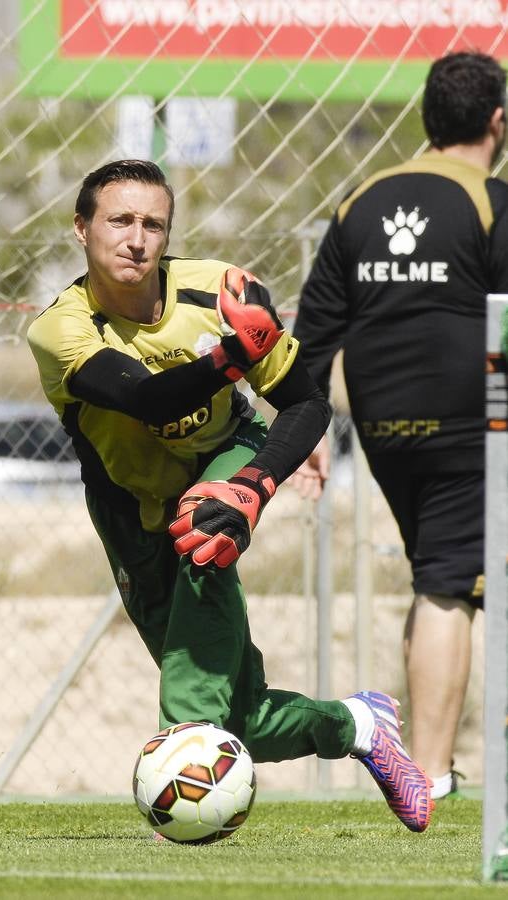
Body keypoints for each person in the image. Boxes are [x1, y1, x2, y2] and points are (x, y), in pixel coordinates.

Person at [27, 158, 432, 831]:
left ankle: (185, 819)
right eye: (120, 220)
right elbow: (146, 400)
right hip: (129, 506)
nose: (137, 238)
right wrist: (228, 358)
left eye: (153, 223)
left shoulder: (219, 293)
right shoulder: (61, 328)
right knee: (237, 715)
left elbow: (306, 403)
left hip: (224, 459)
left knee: (204, 539)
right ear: (81, 229)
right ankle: (357, 725)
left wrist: (254, 482)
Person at [293, 51, 508, 800]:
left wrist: (307, 429)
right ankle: (434, 776)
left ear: (426, 120)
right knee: (452, 584)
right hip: (468, 414)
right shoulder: (490, 200)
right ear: (497, 121)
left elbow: (314, 329)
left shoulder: (363, 199)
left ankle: (422, 761)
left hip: (384, 420)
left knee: (436, 577)